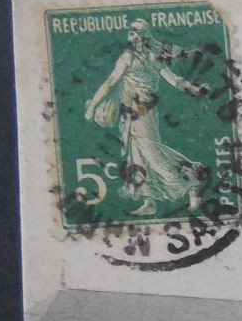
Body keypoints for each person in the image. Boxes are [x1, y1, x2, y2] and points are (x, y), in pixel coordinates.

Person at [84, 20, 212, 217]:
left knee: (152, 152)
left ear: (143, 36)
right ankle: (149, 200)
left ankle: (190, 183)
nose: (132, 37)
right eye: (131, 33)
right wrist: (93, 105)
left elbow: (173, 80)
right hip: (129, 112)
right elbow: (110, 83)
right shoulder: (128, 57)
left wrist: (194, 89)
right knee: (135, 154)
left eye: (135, 33)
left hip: (144, 111)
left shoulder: (151, 57)